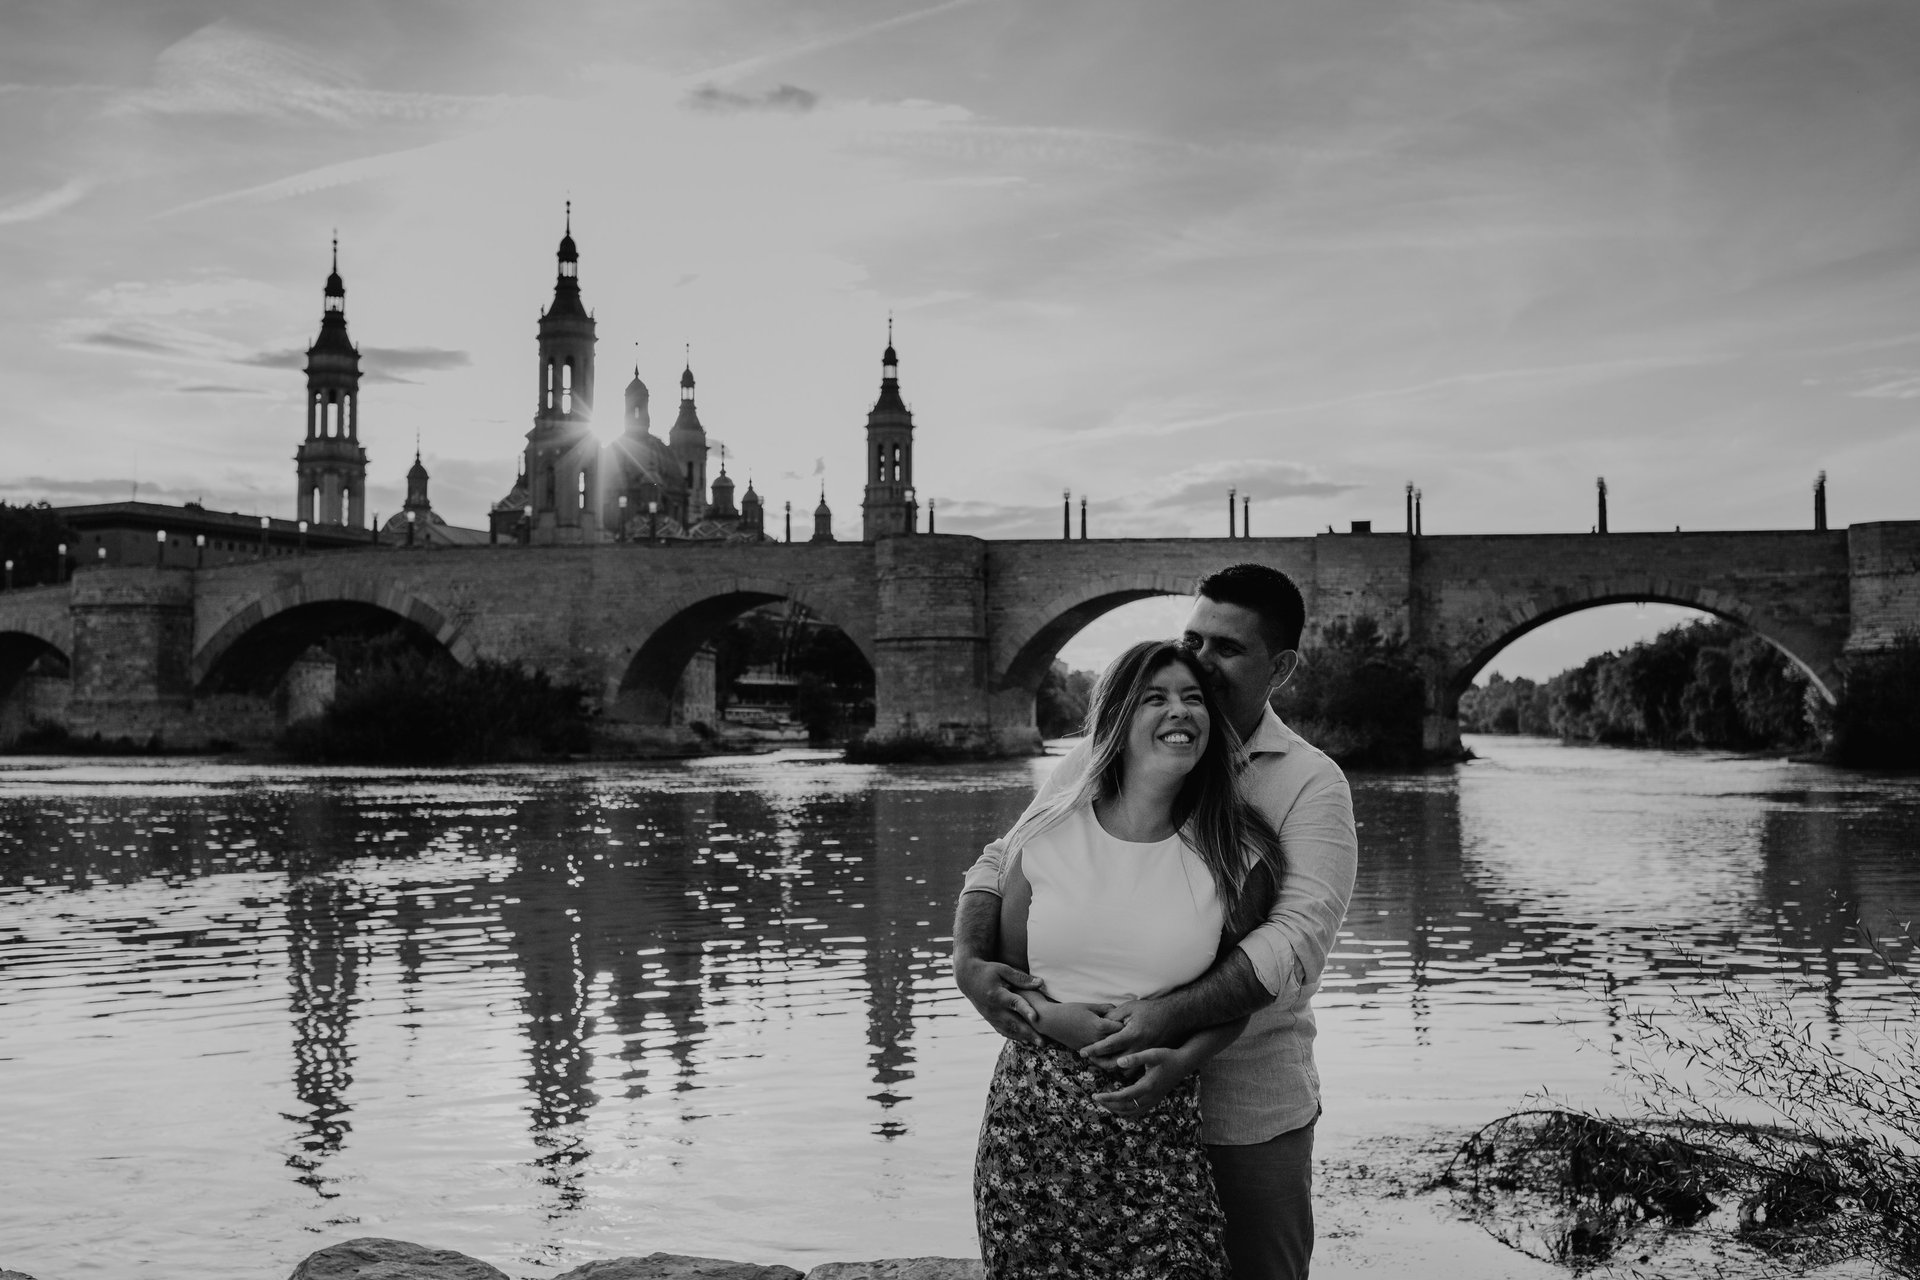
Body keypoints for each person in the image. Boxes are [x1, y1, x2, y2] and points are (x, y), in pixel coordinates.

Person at [954, 563, 1357, 1280]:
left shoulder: (1308, 781)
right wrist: (970, 961)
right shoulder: (1101, 752)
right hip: (1084, 1107)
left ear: (1282, 668)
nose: (1201, 662)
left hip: (1245, 1107)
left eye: (1227, 649)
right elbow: (1004, 857)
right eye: (1192, 639)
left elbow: (1293, 944)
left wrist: (1169, 1023)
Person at [973, 638, 1283, 1280]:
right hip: (1033, 1129)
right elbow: (1006, 975)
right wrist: (1052, 1020)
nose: (1181, 712)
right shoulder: (1047, 833)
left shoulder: (1239, 852)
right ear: (1116, 717)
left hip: (1157, 1129)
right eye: (1156, 698)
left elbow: (1239, 996)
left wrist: (1180, 1064)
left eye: (1194, 699)